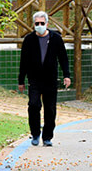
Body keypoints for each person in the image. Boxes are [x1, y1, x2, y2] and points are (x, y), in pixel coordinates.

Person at [18, 11, 71, 146]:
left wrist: (67, 75)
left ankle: (47, 137)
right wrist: (21, 80)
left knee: (50, 109)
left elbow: (63, 58)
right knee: (34, 105)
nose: (40, 26)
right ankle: (35, 133)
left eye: (42, 23)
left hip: (50, 79)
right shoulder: (29, 40)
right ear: (34, 25)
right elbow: (23, 61)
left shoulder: (56, 39)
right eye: (37, 23)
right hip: (34, 79)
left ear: (47, 24)